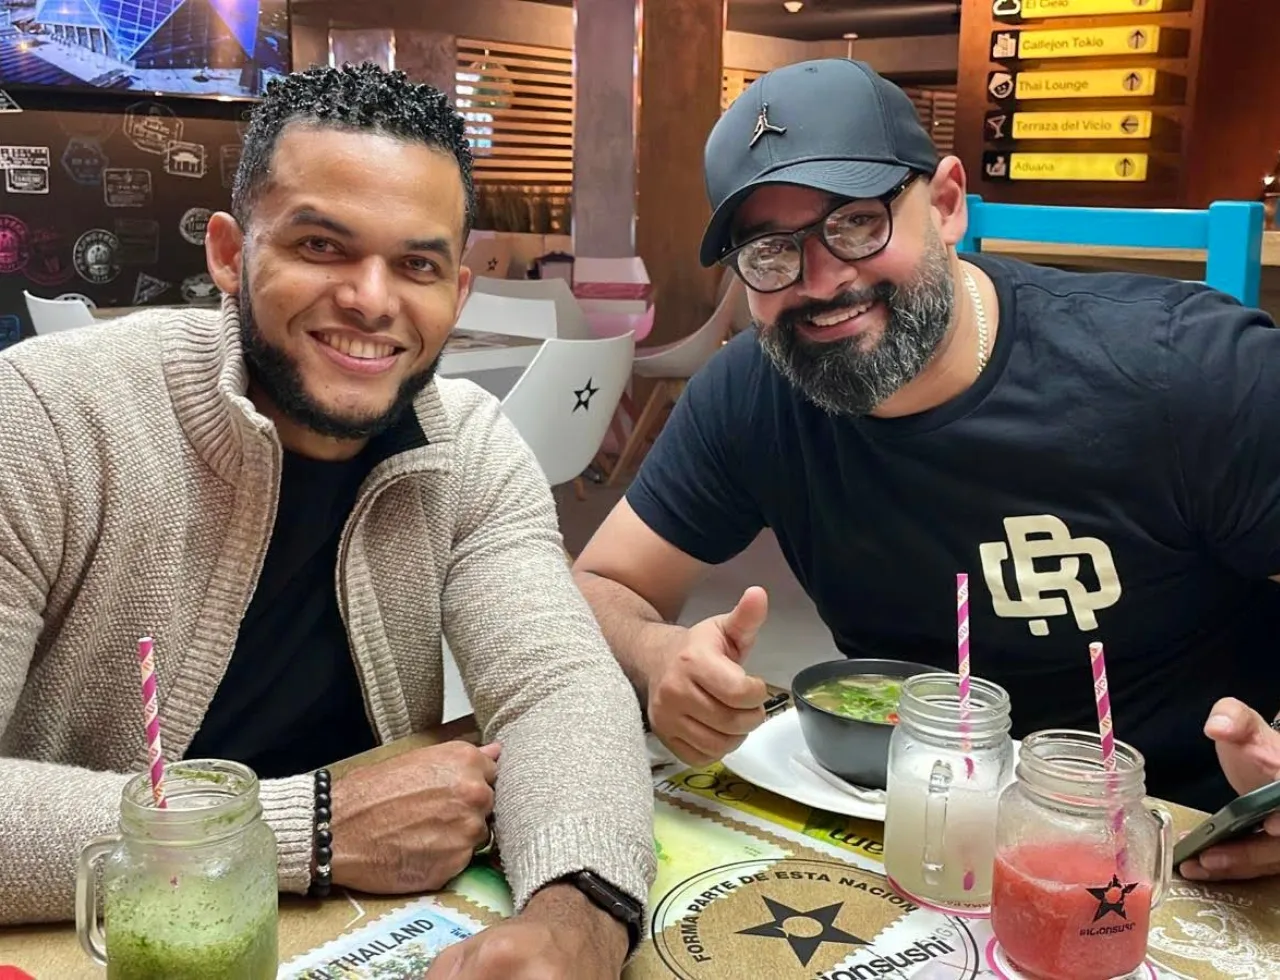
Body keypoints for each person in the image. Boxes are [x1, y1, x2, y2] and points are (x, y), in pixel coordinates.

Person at [0, 64, 654, 977]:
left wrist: (578, 917)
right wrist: (307, 827)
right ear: (229, 254)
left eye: (417, 265)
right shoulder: (43, 419)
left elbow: (559, 689)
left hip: (362, 937)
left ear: (458, 292)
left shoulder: (469, 444)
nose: (373, 299)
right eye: (321, 246)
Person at [573, 58, 1280, 884]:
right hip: (901, 835)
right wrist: (658, 652)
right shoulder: (751, 397)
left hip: (1190, 848)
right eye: (769, 253)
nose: (820, 280)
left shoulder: (1184, 370)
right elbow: (602, 585)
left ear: (946, 204)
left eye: (856, 223)